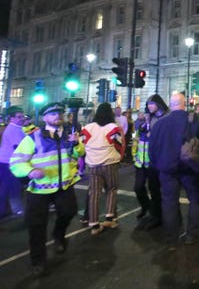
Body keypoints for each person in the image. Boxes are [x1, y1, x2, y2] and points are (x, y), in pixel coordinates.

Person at [10, 102, 84, 277]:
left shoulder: (69, 135)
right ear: (45, 118)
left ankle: (59, 234)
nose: (57, 116)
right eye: (52, 114)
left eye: (59, 113)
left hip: (64, 185)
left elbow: (78, 154)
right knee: (36, 226)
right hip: (39, 190)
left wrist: (77, 145)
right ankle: (38, 261)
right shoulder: (33, 138)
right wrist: (30, 171)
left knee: (69, 212)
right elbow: (16, 162)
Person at [149, 93, 199, 249]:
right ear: (185, 103)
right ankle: (192, 234)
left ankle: (171, 239)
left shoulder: (159, 124)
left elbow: (152, 149)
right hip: (190, 167)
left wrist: (158, 165)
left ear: (171, 104)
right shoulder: (195, 120)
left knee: (169, 203)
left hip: (167, 169)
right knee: (195, 200)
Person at [80, 103, 124, 235]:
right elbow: (119, 145)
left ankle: (93, 223)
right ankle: (110, 217)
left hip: (93, 165)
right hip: (109, 163)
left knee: (94, 194)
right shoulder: (113, 128)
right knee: (111, 189)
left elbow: (82, 145)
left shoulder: (88, 128)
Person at [136, 94, 169, 230]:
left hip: (161, 158)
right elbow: (139, 134)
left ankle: (161, 216)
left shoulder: (167, 117)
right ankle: (154, 213)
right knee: (148, 188)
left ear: (158, 104)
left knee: (161, 189)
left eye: (151, 104)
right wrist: (146, 123)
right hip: (147, 159)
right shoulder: (150, 118)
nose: (149, 107)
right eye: (148, 104)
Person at [0, 106, 26, 219]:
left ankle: (12, 209)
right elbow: (19, 147)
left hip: (8, 162)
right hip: (8, 163)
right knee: (12, 187)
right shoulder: (12, 129)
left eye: (22, 116)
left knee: (8, 187)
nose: (22, 119)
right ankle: (17, 210)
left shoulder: (18, 128)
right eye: (19, 117)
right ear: (11, 118)